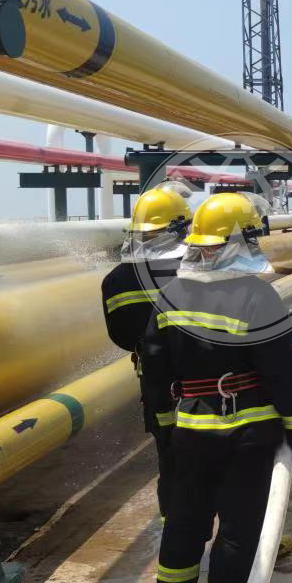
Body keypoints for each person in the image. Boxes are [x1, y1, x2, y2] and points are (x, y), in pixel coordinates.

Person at [141, 192, 292, 583]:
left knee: (184, 523)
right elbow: (281, 374)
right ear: (241, 242)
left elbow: (154, 371)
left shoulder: (169, 295)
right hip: (247, 438)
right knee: (238, 530)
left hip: (190, 434)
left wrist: (165, 429)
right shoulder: (257, 296)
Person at [100, 182, 192, 522]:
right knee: (222, 461)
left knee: (170, 459)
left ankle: (175, 529)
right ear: (181, 226)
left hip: (156, 386)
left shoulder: (115, 281)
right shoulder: (196, 269)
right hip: (206, 382)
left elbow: (121, 337)